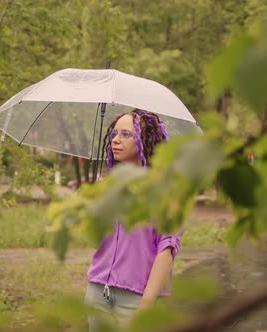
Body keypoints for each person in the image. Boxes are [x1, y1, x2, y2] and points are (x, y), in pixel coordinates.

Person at [84, 109, 182, 330]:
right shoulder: (107, 186)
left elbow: (166, 252)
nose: (116, 140)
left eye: (125, 134)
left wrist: (146, 305)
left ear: (146, 140)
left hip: (139, 299)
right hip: (98, 292)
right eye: (114, 134)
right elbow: (98, 241)